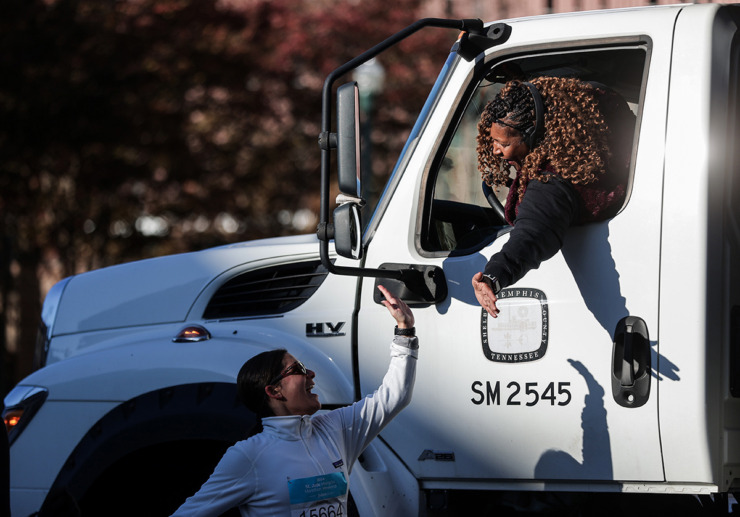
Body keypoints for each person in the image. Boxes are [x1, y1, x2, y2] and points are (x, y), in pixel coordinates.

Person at [171, 284, 417, 516]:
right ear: (274, 391)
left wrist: (405, 331)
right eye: (299, 369)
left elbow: (394, 396)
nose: (311, 374)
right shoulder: (247, 455)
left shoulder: (334, 429)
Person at [472, 76, 635, 318]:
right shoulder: (582, 158)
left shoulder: (551, 181)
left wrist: (494, 275)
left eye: (501, 142)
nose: (495, 150)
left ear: (532, 134)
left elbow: (532, 233)